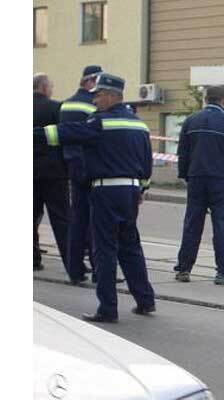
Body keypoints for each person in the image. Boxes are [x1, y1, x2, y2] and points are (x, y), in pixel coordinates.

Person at [34, 73, 155, 323]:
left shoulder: (99, 124)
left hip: (105, 191)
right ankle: (145, 300)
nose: (95, 101)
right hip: (131, 193)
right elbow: (146, 164)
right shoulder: (139, 125)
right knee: (131, 247)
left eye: (98, 96)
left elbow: (61, 134)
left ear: (111, 97)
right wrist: (141, 190)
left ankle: (107, 309)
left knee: (104, 249)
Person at [174, 86, 224, 285]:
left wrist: (185, 175)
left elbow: (182, 152)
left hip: (196, 178)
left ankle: (183, 269)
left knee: (192, 224)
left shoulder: (191, 121)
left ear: (206, 99)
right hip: (220, 181)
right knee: (222, 225)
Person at [60, 65, 102, 284]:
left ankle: (75, 269)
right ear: (90, 81)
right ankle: (100, 269)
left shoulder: (66, 104)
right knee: (96, 219)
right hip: (89, 165)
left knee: (77, 219)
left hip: (71, 163)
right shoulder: (91, 106)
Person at [33, 73, 70, 273]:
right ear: (44, 87)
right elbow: (63, 136)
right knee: (61, 218)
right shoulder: (56, 107)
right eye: (51, 86)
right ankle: (70, 263)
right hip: (54, 171)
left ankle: (33, 259)